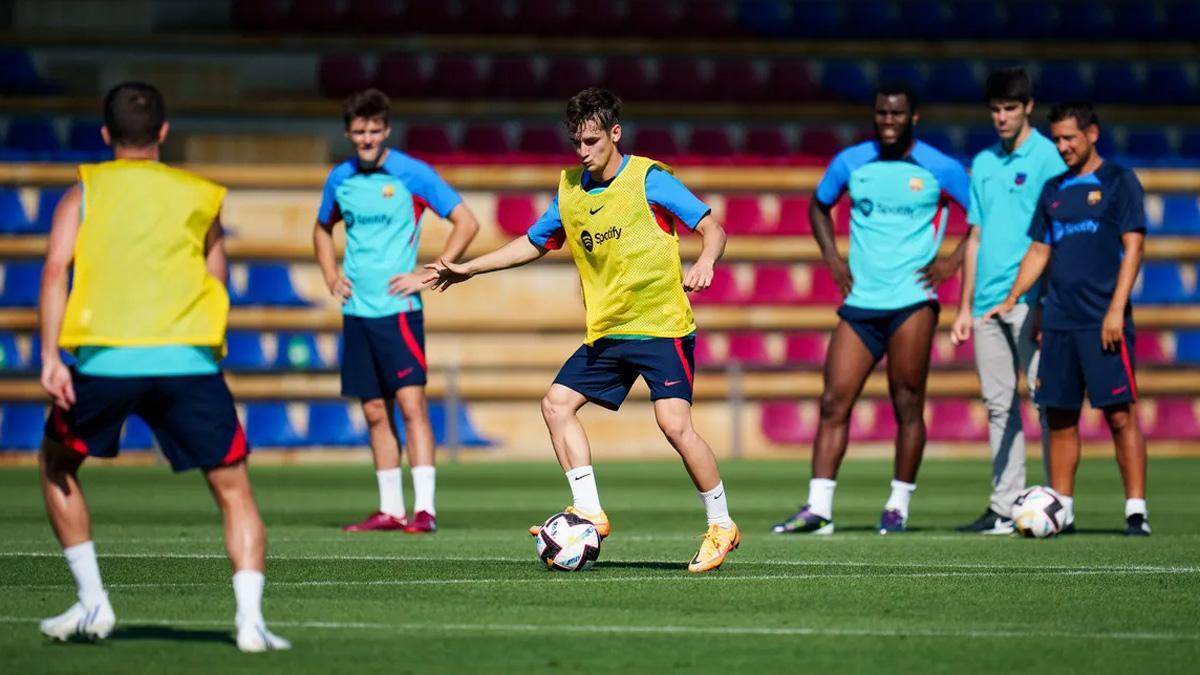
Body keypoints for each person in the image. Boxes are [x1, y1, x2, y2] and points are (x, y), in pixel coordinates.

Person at [424, 88, 739, 572]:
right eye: (576, 142)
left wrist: (706, 262)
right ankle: (589, 509)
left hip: (661, 326)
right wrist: (470, 268)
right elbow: (532, 243)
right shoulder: (570, 190)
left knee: (674, 425)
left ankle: (721, 524)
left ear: (615, 133)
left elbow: (713, 229)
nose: (583, 151)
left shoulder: (650, 179)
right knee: (556, 404)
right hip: (608, 331)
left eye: (592, 141)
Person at [37, 82, 289, 650]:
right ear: (164, 132)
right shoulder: (200, 195)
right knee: (234, 491)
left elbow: (55, 272)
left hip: (105, 358)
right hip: (187, 361)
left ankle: (92, 602)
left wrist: (51, 357)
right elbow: (218, 279)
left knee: (56, 464)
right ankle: (251, 622)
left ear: (106, 134)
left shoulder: (83, 194)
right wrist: (206, 351)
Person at [771, 81, 970, 536]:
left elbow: (980, 215)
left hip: (913, 301)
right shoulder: (851, 161)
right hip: (861, 303)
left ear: (914, 117)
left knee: (907, 401)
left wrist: (952, 263)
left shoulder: (939, 167)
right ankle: (818, 508)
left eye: (897, 114)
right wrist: (833, 260)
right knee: (832, 401)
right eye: (882, 113)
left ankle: (898, 504)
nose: (888, 121)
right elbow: (818, 206)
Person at [314, 89, 480, 534]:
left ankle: (424, 510)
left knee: (411, 405)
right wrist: (330, 275)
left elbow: (466, 221)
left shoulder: (412, 174)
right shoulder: (340, 179)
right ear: (348, 133)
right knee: (373, 410)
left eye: (374, 130)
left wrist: (431, 273)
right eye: (358, 131)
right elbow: (321, 228)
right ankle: (390, 509)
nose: (367, 138)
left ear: (386, 130)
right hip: (357, 311)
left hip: (399, 311)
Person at [982, 102, 1150, 536]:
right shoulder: (1053, 189)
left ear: (1092, 134)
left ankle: (1136, 510)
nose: (1062, 147)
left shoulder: (1119, 181)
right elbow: (1041, 250)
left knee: (1119, 415)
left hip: (1103, 320)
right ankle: (1063, 510)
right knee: (1059, 416)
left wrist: (1116, 309)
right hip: (1058, 321)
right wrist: (1014, 297)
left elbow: (1134, 246)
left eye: (1069, 138)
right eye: (1056, 139)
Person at [952, 68, 1068, 534]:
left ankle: (1059, 501)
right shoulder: (983, 162)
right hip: (986, 305)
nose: (1001, 117)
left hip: (1029, 301)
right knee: (999, 406)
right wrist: (965, 307)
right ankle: (1004, 507)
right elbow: (975, 237)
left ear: (1028, 108)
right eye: (995, 109)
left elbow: (1057, 236)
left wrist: (1045, 302)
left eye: (1010, 108)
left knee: (1046, 402)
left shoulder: (1049, 158)